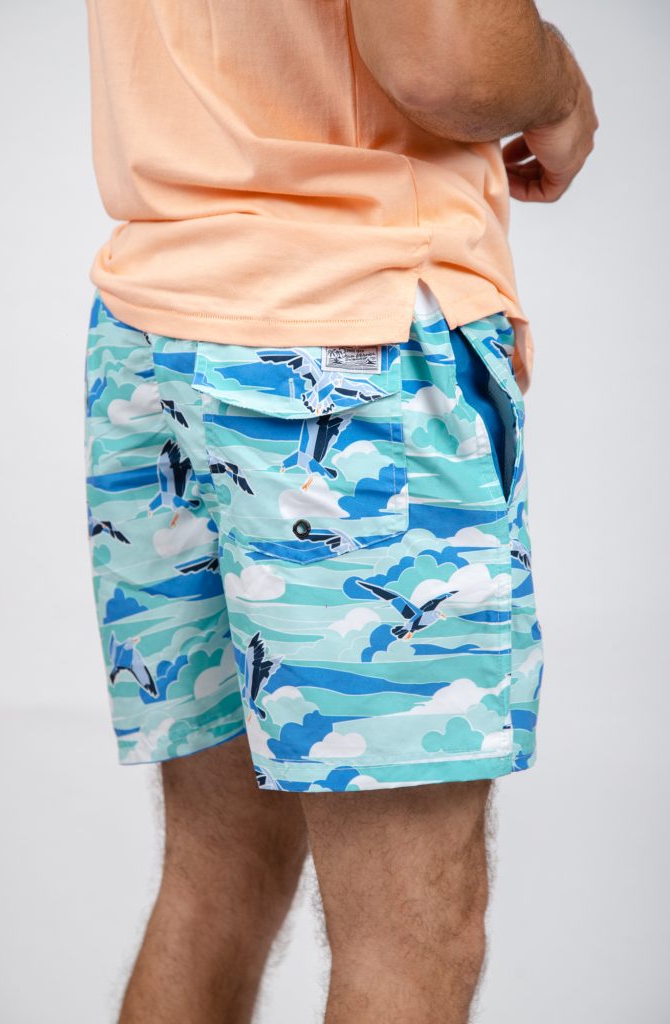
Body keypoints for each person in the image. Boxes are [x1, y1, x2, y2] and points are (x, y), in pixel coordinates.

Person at [83, 1, 597, 1021]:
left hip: (154, 326)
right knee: (410, 932)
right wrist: (562, 86)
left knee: (214, 873)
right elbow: (450, 62)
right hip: (346, 338)